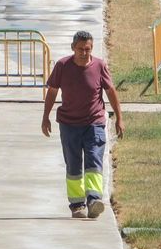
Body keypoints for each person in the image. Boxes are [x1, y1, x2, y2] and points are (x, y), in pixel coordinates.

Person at [42, 31, 124, 219]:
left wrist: (120, 117)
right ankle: (77, 205)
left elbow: (111, 91)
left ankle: (94, 200)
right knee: (73, 165)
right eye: (80, 49)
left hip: (93, 123)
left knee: (94, 160)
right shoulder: (63, 66)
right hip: (69, 125)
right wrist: (45, 117)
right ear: (73, 48)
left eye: (88, 49)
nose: (84, 53)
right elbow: (53, 92)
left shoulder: (99, 66)